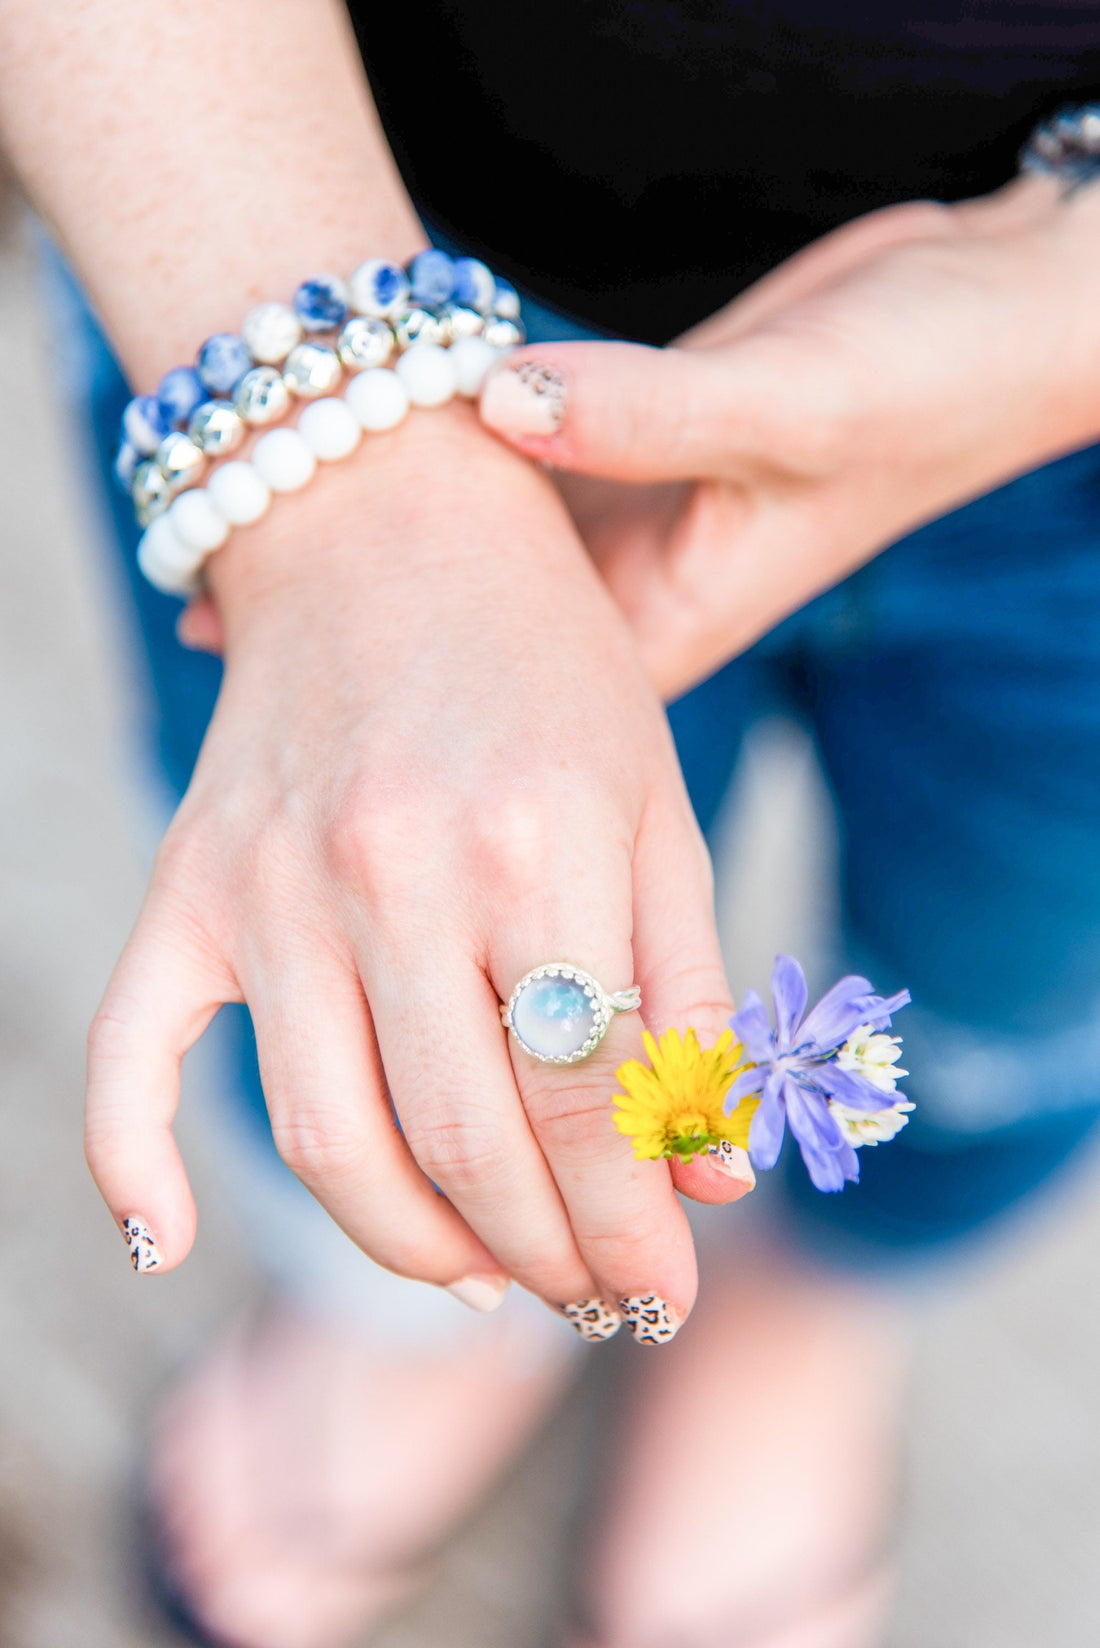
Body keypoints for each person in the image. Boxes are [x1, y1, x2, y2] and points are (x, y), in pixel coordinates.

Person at [3, 2, 1100, 1644]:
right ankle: (431, 1303)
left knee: (1021, 990)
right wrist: (343, 493)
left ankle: (821, 1300)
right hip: (345, 274)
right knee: (372, 929)